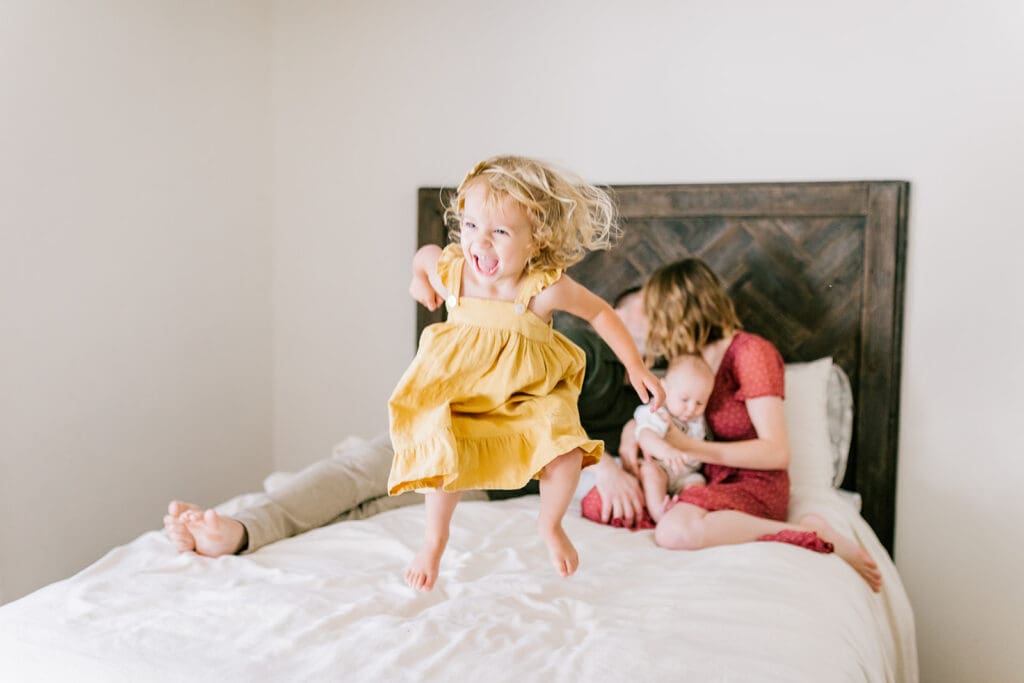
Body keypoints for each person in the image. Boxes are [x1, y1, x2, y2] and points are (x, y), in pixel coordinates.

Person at [163, 284, 648, 565]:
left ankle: (245, 534)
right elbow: (535, 407)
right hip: (453, 440)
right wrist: (603, 463)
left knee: (370, 507)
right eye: (645, 312)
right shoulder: (578, 340)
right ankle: (244, 526)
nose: (653, 328)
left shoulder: (644, 399)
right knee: (358, 474)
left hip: (486, 481)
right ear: (619, 310)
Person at [388, 155, 663, 590]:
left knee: (567, 448)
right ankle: (433, 541)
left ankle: (550, 525)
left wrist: (636, 365)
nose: (481, 243)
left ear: (537, 240)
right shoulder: (455, 273)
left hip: (526, 396)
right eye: (471, 226)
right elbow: (424, 256)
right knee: (444, 454)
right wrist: (419, 281)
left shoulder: (542, 289)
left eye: (499, 232)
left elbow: (601, 313)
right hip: (464, 394)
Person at [581, 258, 883, 592]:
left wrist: (690, 449)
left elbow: (777, 453)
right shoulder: (688, 360)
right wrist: (632, 433)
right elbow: (655, 413)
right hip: (701, 481)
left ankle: (805, 532)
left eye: (656, 312)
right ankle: (690, 512)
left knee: (673, 532)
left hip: (753, 483)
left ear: (676, 310)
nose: (654, 326)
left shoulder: (751, 353)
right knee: (600, 503)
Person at [632, 353, 714, 522]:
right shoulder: (659, 412)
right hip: (661, 467)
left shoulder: (698, 421)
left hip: (686, 474)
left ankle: (682, 510)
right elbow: (645, 436)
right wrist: (666, 451)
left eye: (700, 403)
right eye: (685, 399)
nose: (691, 408)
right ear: (665, 389)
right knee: (650, 473)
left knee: (698, 484)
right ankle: (659, 514)